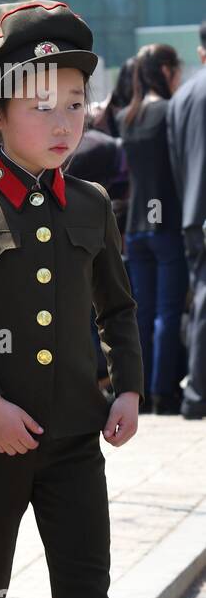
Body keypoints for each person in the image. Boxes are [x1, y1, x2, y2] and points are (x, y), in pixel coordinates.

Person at [0, 0, 142, 598]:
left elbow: (118, 306)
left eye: (75, 104)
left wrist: (127, 387)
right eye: (42, 105)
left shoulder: (93, 203)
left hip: (77, 438)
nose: (63, 122)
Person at [119, 44, 187, 415]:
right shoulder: (168, 111)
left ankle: (138, 391)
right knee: (167, 312)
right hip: (166, 222)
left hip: (137, 223)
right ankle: (164, 392)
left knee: (141, 313)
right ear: (165, 69)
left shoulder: (129, 115)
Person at [167, 20, 206, 420]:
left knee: (200, 302)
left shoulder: (181, 97)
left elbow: (177, 161)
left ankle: (197, 394)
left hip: (193, 213)